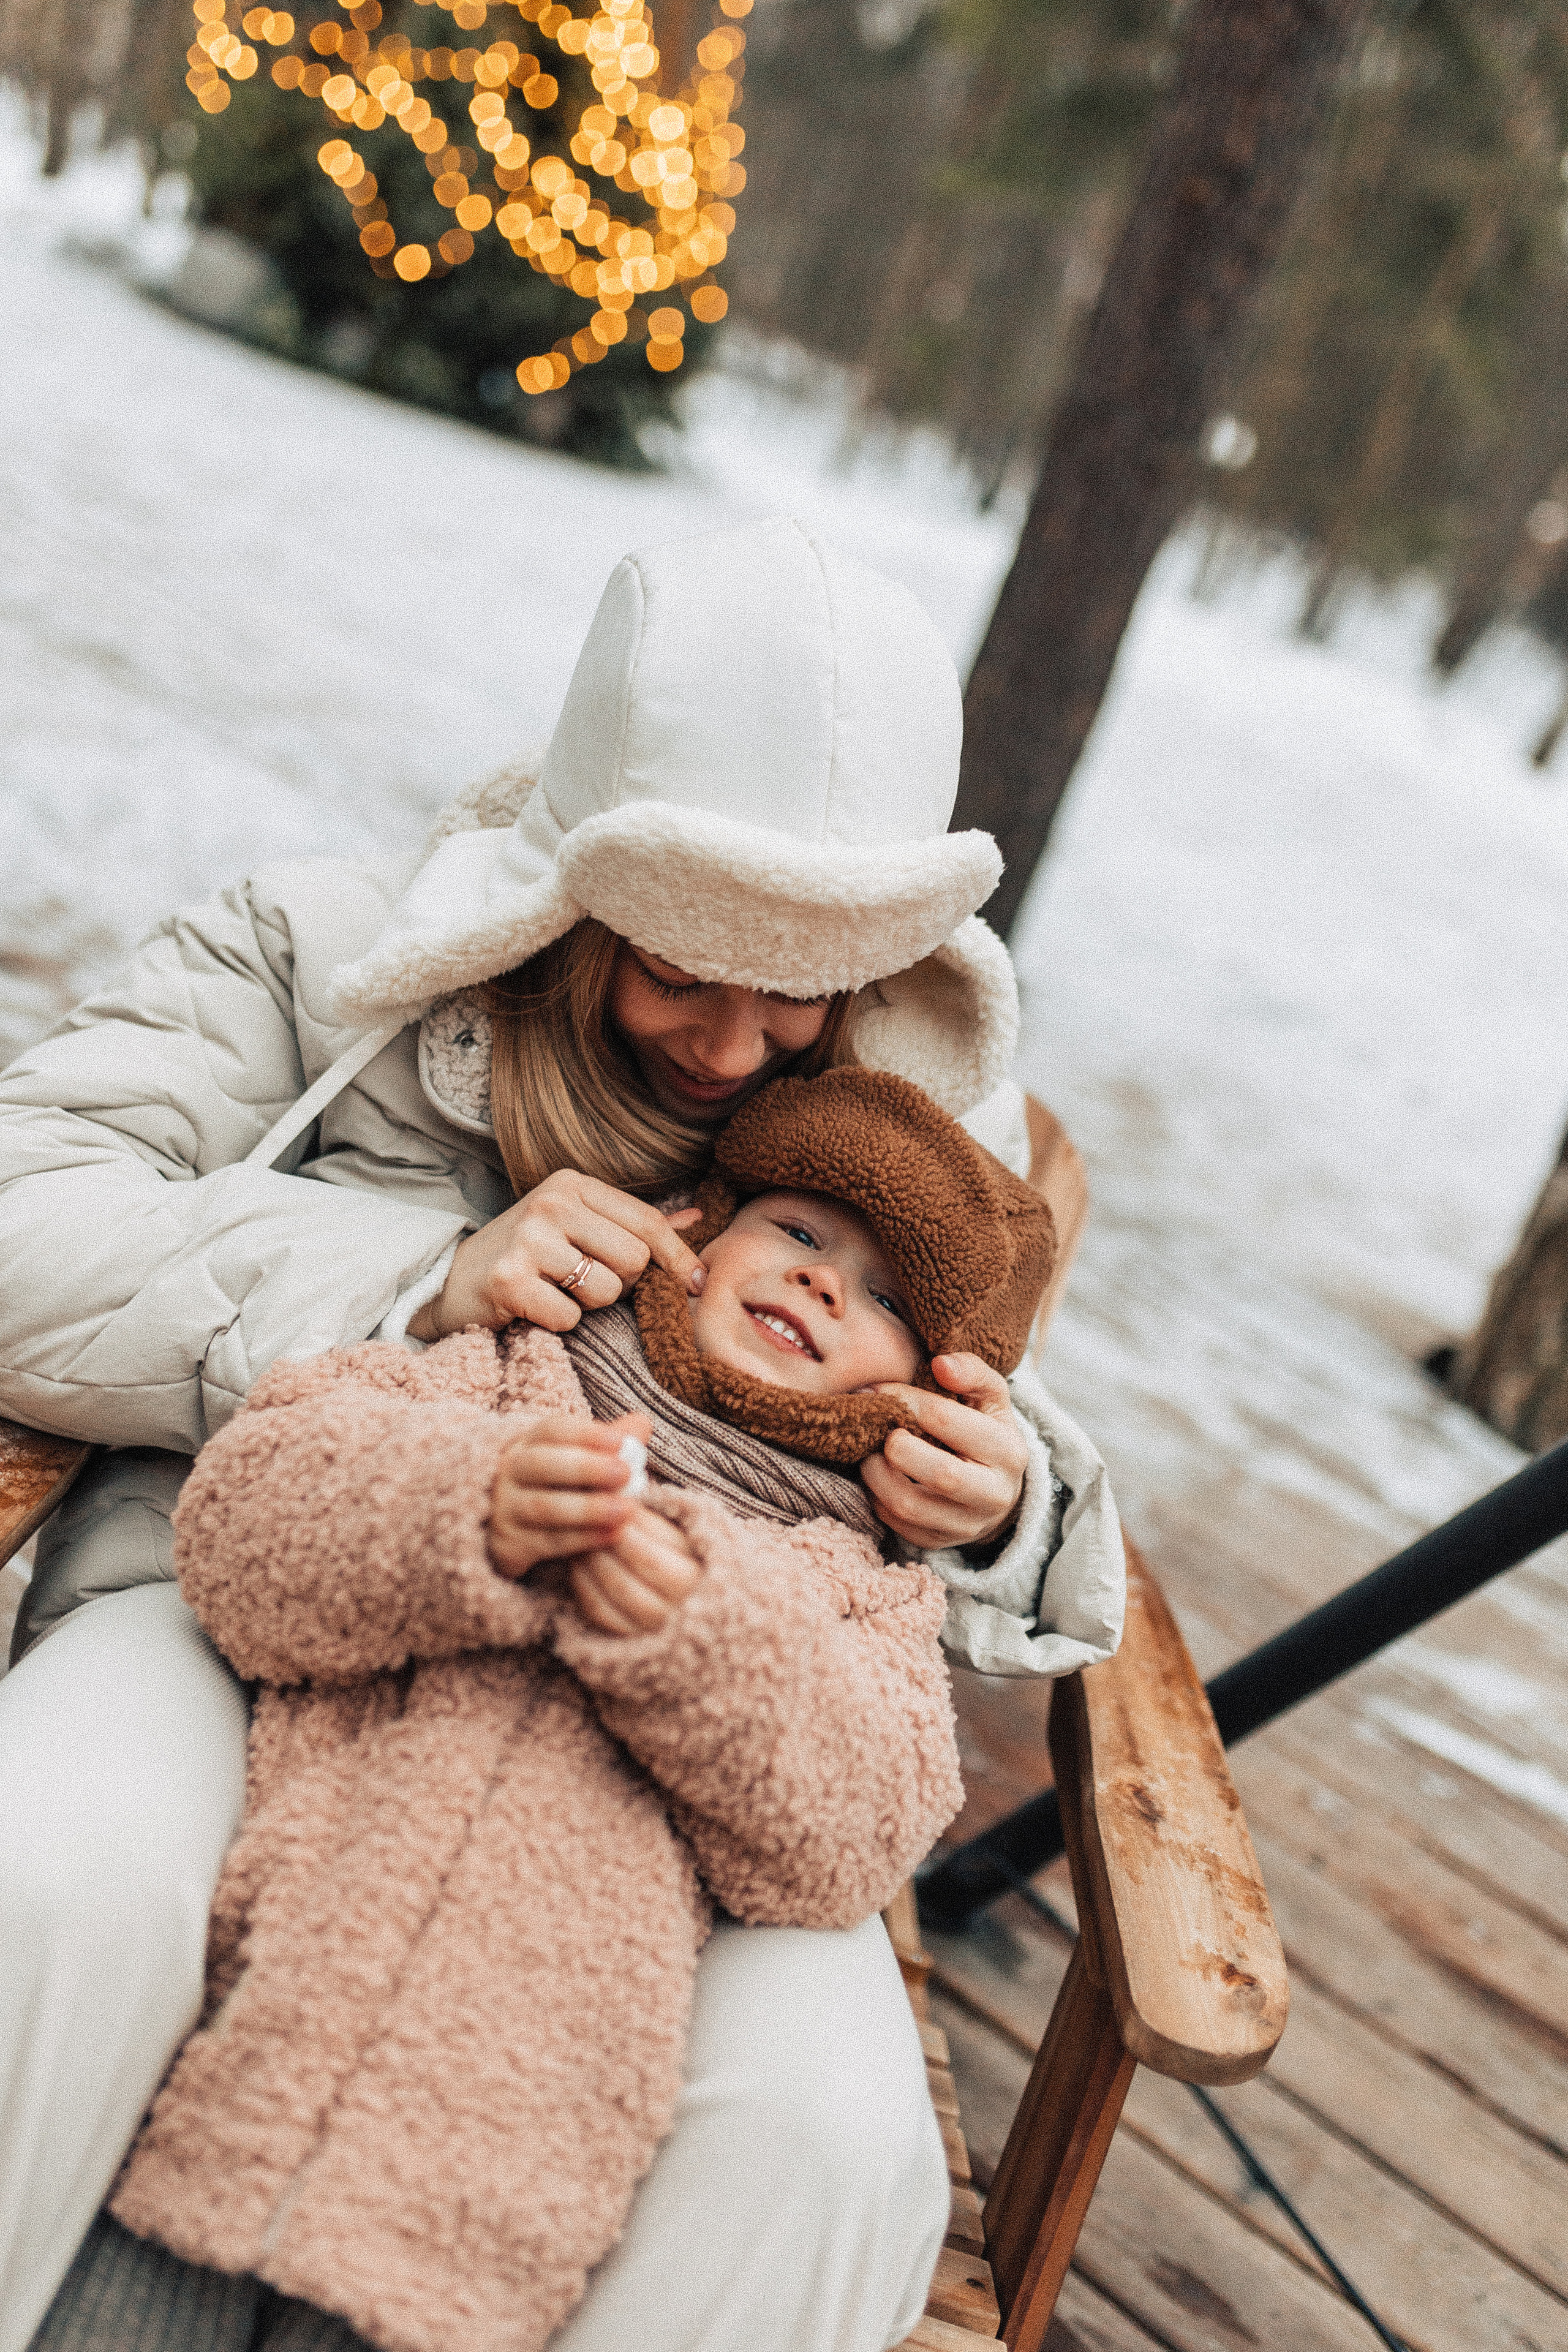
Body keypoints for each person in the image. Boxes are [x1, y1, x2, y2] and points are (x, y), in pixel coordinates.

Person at [0, 517, 1124, 2352]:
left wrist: (1006, 1511)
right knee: (47, 1869)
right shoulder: (318, 958)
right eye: (689, 960)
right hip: (255, 1613)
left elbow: (1044, 1490)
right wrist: (422, 1274)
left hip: (687, 1742)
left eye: (804, 983)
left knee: (837, 2153)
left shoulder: (887, 1095)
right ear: (579, 886)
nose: (745, 1044)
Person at [48, 1066, 1057, 2352]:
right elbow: (249, 1519)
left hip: (495, 2181)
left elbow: (856, 1831)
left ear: (930, 1388)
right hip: (230, 2050)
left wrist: (708, 1641)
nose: (818, 1285)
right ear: (693, 1226)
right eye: (798, 1234)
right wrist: (467, 1506)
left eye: (884, 1298)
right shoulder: (498, 1374)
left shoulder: (854, 1581)